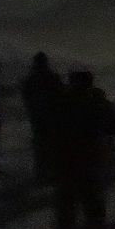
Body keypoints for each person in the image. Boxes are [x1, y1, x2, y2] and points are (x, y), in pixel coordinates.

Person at [56, 70, 115, 229]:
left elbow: (49, 128)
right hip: (91, 153)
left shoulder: (63, 101)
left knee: (68, 192)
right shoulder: (96, 100)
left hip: (67, 154)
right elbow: (113, 124)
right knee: (91, 193)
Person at [21, 52, 65, 183]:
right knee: (51, 144)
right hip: (51, 116)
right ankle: (51, 171)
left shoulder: (31, 80)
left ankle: (42, 173)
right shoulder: (52, 77)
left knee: (41, 144)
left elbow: (26, 97)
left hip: (38, 117)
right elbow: (61, 94)